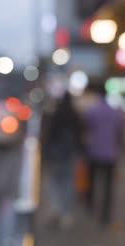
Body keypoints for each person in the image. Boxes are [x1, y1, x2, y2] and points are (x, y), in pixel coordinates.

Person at [83, 85, 125, 227]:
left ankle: (90, 206)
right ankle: (105, 214)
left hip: (94, 151)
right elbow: (120, 133)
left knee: (92, 182)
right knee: (108, 186)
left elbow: (86, 128)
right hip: (110, 153)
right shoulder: (115, 113)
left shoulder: (93, 111)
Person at [46, 92, 83, 228]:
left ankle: (55, 208)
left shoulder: (56, 114)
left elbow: (49, 136)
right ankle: (66, 214)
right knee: (69, 184)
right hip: (70, 155)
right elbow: (80, 137)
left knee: (55, 182)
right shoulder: (75, 115)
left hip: (56, 154)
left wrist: (47, 154)